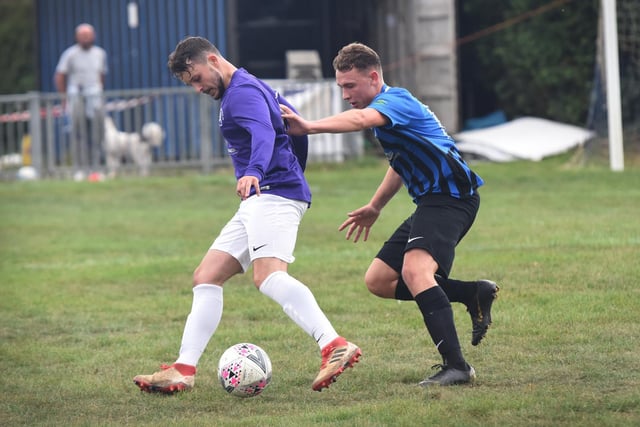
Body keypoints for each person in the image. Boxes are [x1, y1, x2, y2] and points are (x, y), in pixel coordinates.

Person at [133, 36, 361, 394]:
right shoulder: (252, 86)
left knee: (267, 277)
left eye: (196, 78)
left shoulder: (241, 93)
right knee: (206, 276)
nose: (197, 88)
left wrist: (258, 170)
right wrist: (293, 172)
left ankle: (334, 344)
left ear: (211, 59)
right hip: (264, 195)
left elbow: (265, 131)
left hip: (271, 193)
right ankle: (183, 369)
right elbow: (293, 127)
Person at [280, 42, 499, 386]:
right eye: (340, 87)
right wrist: (375, 206)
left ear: (373, 77)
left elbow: (360, 119)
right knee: (379, 280)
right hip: (431, 201)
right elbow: (399, 163)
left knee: (415, 271)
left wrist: (309, 126)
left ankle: (457, 367)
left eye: (350, 86)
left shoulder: (393, 102)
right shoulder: (386, 116)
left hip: (452, 198)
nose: (345, 94)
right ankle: (472, 293)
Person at [54, 23, 108, 176]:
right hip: (76, 95)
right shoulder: (70, 54)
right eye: (83, 36)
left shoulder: (100, 53)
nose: (86, 38)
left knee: (97, 132)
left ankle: (96, 167)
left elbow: (101, 75)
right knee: (78, 133)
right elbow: (60, 75)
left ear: (93, 36)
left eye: (88, 35)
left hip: (95, 96)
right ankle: (80, 169)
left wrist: (100, 91)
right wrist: (64, 97)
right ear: (77, 37)